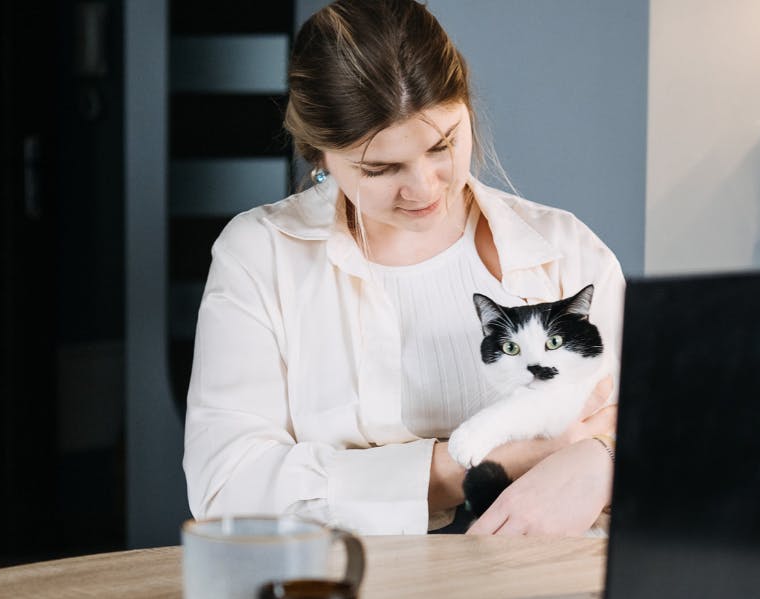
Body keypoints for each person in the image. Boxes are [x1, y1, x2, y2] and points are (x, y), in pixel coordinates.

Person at [182, 0, 624, 536]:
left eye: (443, 145)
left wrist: (598, 464)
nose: (424, 187)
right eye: (381, 168)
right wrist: (499, 461)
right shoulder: (260, 256)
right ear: (320, 155)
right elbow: (227, 487)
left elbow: (662, 429)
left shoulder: (564, 247)